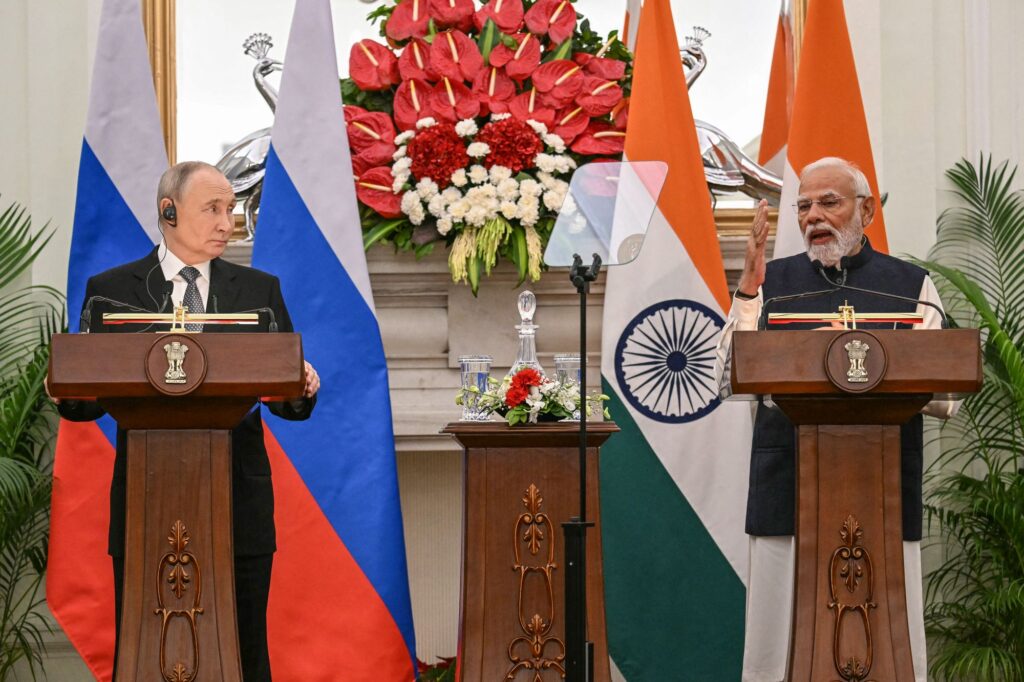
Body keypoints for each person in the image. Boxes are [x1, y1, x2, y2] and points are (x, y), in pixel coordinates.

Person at [55, 161, 320, 681]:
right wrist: (61, 387)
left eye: (231, 209)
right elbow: (84, 402)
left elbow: (289, 405)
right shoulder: (112, 291)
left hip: (238, 503)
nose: (228, 222)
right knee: (145, 646)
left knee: (244, 651)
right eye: (213, 209)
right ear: (169, 212)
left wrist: (302, 384)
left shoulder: (258, 292)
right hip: (146, 504)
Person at [714, 157, 956, 682]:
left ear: (866, 211)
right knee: (780, 644)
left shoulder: (909, 284)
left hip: (882, 486)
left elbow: (948, 391)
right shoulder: (771, 281)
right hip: (788, 482)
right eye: (803, 206)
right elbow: (725, 379)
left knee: (887, 633)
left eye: (829, 202)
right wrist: (748, 291)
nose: (813, 216)